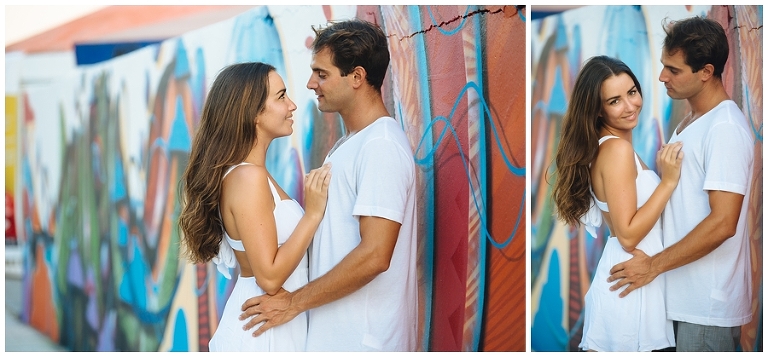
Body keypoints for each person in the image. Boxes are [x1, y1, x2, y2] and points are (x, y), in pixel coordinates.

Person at [238, 19, 418, 351]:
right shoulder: (350, 144)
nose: (310, 84)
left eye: (322, 74)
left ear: (357, 78)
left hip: (365, 344)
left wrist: (294, 303)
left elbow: (376, 255)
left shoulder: (380, 146)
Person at [607, 17, 754, 352]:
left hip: (706, 311)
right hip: (682, 303)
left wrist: (652, 267)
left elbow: (723, 223)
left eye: (673, 69)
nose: (662, 77)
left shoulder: (725, 128)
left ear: (705, 71)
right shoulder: (691, 121)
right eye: (662, 66)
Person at [178, 62, 332, 351]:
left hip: (268, 323)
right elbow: (270, 277)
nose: (293, 105)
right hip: (261, 331)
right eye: (281, 96)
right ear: (254, 113)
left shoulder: (251, 172)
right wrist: (311, 215)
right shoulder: (248, 176)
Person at [552, 56, 683, 351]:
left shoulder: (613, 148)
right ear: (597, 110)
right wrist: (668, 183)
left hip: (633, 282)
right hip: (631, 290)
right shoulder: (616, 150)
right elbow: (627, 234)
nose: (630, 105)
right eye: (614, 101)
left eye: (632, 92)